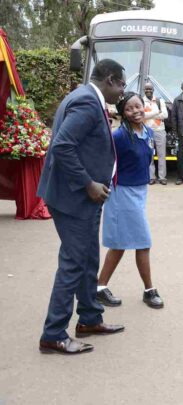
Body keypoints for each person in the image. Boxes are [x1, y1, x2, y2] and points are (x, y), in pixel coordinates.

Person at [37, 59, 126, 355]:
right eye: (121, 84)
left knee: (88, 258)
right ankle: (53, 334)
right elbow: (62, 146)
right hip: (74, 197)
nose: (122, 91)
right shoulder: (88, 102)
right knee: (74, 262)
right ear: (110, 79)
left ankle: (89, 318)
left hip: (80, 198)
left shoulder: (84, 96)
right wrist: (88, 183)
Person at [96, 92, 164, 309]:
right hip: (122, 193)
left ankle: (99, 287)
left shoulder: (148, 132)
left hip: (139, 191)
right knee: (143, 242)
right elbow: (102, 161)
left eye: (138, 106)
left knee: (119, 244)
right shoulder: (119, 136)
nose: (135, 111)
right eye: (129, 109)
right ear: (122, 113)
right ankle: (149, 290)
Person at [143, 82, 169, 186]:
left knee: (162, 154)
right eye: (146, 89)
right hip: (147, 131)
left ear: (153, 90)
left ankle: (162, 177)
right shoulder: (141, 101)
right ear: (144, 90)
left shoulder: (159, 100)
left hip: (160, 130)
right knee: (150, 155)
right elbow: (142, 115)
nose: (148, 90)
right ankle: (151, 177)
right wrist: (156, 113)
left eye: (150, 89)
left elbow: (165, 115)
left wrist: (149, 115)